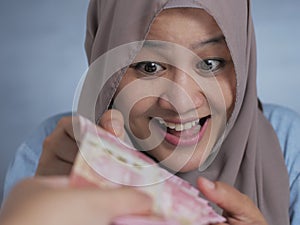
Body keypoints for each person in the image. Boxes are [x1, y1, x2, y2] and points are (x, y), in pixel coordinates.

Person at [3, 0, 300, 225]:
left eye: (210, 64)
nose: (182, 103)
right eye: (149, 67)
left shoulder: (291, 145)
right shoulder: (55, 153)